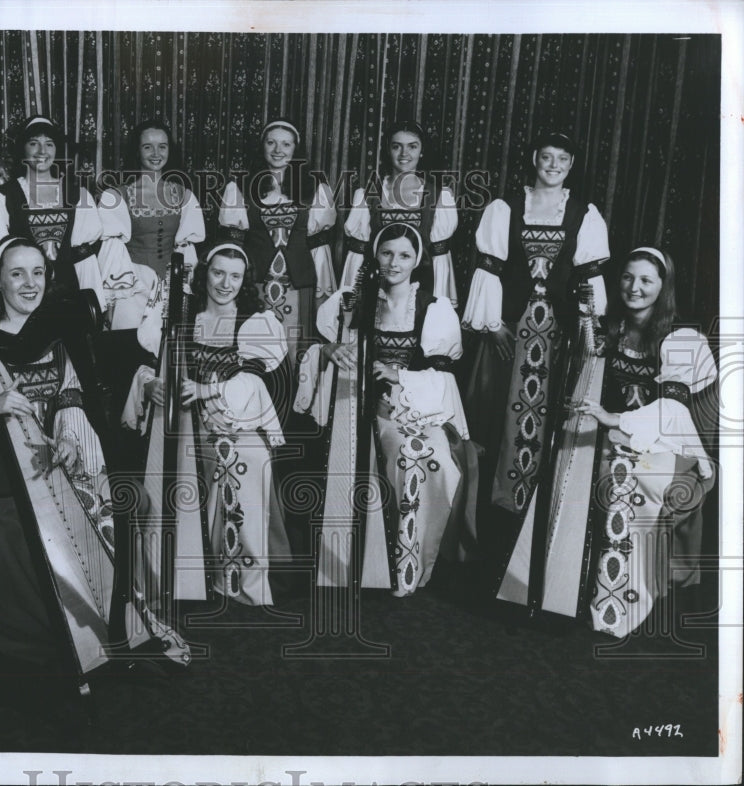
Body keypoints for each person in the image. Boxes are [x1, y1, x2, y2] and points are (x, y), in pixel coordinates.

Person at [0, 236, 190, 676]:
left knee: (113, 510)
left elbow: (69, 397)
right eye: (17, 274)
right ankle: (67, 644)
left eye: (39, 273)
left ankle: (119, 627)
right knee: (19, 543)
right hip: (1, 482)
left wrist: (67, 436)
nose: (30, 284)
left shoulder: (57, 340)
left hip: (56, 470)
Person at [295, 223, 477, 595]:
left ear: (417, 261)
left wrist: (398, 375)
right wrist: (329, 351)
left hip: (415, 408)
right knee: (405, 455)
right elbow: (317, 350)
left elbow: (443, 379)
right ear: (375, 256)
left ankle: (410, 562)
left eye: (405, 255)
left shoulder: (432, 308)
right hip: (364, 409)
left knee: (435, 458)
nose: (395, 263)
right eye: (387, 253)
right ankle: (371, 560)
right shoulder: (351, 300)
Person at [122, 244, 291, 607]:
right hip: (185, 422)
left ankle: (243, 580)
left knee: (247, 456)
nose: (225, 283)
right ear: (205, 274)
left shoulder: (254, 323)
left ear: (245, 281)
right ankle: (189, 572)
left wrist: (205, 390)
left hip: (235, 419)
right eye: (218, 273)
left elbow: (253, 386)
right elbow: (149, 364)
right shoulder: (182, 317)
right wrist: (150, 383)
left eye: (235, 275)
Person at [460, 132, 610, 519]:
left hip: (556, 333)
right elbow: (489, 269)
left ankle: (534, 506)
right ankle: (492, 503)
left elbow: (589, 277)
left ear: (571, 165)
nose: (554, 164)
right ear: (534, 159)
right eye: (547, 157)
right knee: (496, 409)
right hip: (510, 327)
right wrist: (492, 325)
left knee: (551, 410)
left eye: (562, 158)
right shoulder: (506, 207)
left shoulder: (582, 213)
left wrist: (587, 328)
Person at [573, 247, 716, 637]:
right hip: (616, 436)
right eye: (627, 278)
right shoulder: (610, 329)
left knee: (626, 483)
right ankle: (579, 584)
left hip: (667, 445)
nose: (634, 288)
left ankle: (619, 604)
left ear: (662, 286)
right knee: (581, 467)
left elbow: (671, 410)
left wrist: (615, 420)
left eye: (646, 280)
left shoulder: (680, 337)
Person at [94, 120, 205, 435]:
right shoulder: (117, 195)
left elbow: (186, 249)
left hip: (173, 289)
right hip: (133, 290)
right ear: (136, 151)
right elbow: (114, 252)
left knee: (169, 362)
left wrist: (181, 285)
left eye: (162, 146)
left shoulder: (183, 195)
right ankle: (128, 442)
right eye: (147, 146)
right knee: (131, 364)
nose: (156, 153)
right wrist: (126, 291)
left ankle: (165, 439)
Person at [218, 118, 337, 379]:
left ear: (296, 149)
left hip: (297, 286)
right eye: (271, 142)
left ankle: (294, 413)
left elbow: (319, 247)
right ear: (262, 146)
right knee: (255, 349)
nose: (278, 150)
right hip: (256, 283)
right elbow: (234, 244)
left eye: (286, 144)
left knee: (298, 351)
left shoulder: (314, 188)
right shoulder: (240, 186)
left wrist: (317, 282)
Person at [0, 114, 104, 302]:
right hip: (24, 297)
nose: (41, 151)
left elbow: (84, 261)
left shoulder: (76, 194)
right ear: (22, 148)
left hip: (70, 296)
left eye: (49, 144)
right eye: (33, 143)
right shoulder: (3, 197)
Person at [339, 119, 459, 306]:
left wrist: (438, 305)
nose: (404, 154)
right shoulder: (368, 195)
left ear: (422, 150)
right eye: (397, 147)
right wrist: (353, 300)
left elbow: (440, 261)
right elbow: (357, 258)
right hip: (376, 292)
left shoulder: (439, 197)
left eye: (412, 146)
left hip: (420, 293)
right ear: (388, 150)